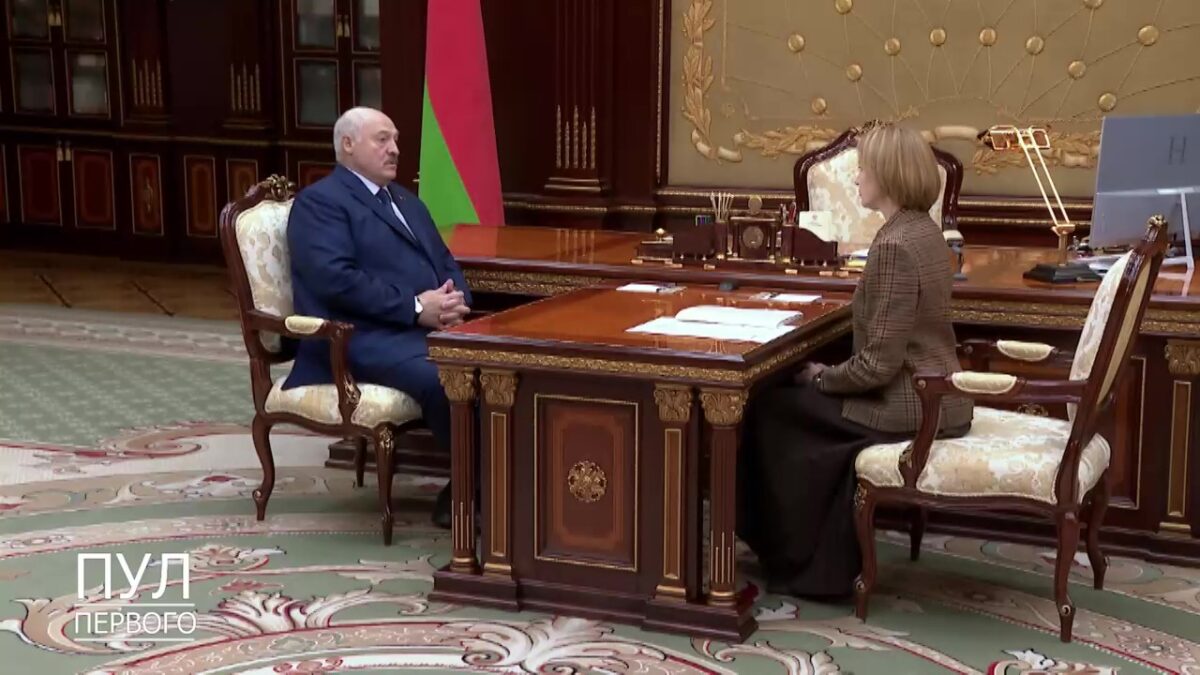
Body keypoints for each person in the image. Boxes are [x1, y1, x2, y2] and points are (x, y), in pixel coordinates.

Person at [737, 123, 973, 598]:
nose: (856, 176)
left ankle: (806, 566)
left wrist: (821, 377)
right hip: (939, 395)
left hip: (906, 403)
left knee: (770, 411)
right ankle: (802, 553)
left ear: (888, 175)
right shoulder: (924, 232)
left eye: (864, 167)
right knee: (785, 405)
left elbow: (876, 368)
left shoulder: (893, 247)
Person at [285, 106, 471, 529]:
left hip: (415, 331)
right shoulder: (320, 203)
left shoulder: (406, 201)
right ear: (348, 145)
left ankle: (479, 484)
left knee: (495, 367)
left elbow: (445, 261)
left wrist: (455, 302)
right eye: (382, 139)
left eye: (396, 140)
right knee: (448, 376)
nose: (395, 149)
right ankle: (471, 492)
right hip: (356, 337)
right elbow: (337, 281)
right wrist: (417, 308)